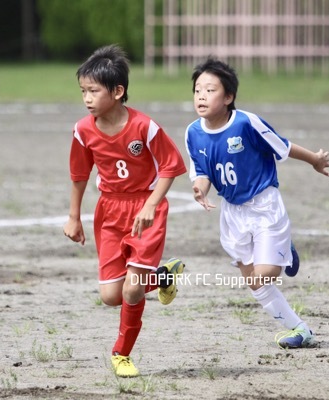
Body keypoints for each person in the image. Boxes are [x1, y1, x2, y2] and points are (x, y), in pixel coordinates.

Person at [184, 57, 329, 348]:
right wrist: (199, 189)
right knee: (253, 281)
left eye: (210, 90)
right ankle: (301, 331)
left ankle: (283, 250)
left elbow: (283, 146)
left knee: (265, 273)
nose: (201, 95)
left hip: (264, 205)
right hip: (232, 213)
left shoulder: (245, 123)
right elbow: (201, 172)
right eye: (198, 89)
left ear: (228, 97)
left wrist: (314, 159)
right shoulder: (193, 132)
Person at [63, 44, 188, 377]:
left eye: (93, 91)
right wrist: (74, 216)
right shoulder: (83, 130)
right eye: (83, 91)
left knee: (132, 288)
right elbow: (79, 175)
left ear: (118, 91)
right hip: (109, 212)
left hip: (145, 210)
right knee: (111, 296)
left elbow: (171, 166)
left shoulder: (144, 127)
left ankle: (121, 354)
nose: (87, 98)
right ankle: (162, 276)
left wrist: (150, 204)